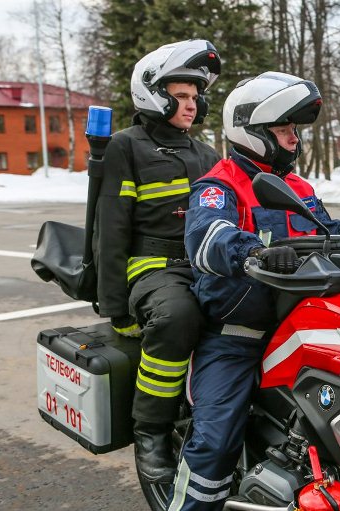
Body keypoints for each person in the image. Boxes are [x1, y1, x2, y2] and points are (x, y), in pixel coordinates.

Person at [167, 72, 340, 510]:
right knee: (214, 442)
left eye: (294, 130)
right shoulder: (221, 184)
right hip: (237, 335)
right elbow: (206, 238)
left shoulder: (300, 189)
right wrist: (257, 251)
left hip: (301, 329)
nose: (293, 139)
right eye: (284, 129)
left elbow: (335, 234)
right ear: (252, 131)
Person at [93, 39, 222, 483]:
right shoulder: (126, 147)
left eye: (194, 97)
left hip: (203, 264)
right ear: (153, 92)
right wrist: (115, 307)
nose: (191, 105)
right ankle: (151, 430)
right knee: (177, 317)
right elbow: (110, 230)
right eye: (180, 95)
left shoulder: (208, 156)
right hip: (149, 265)